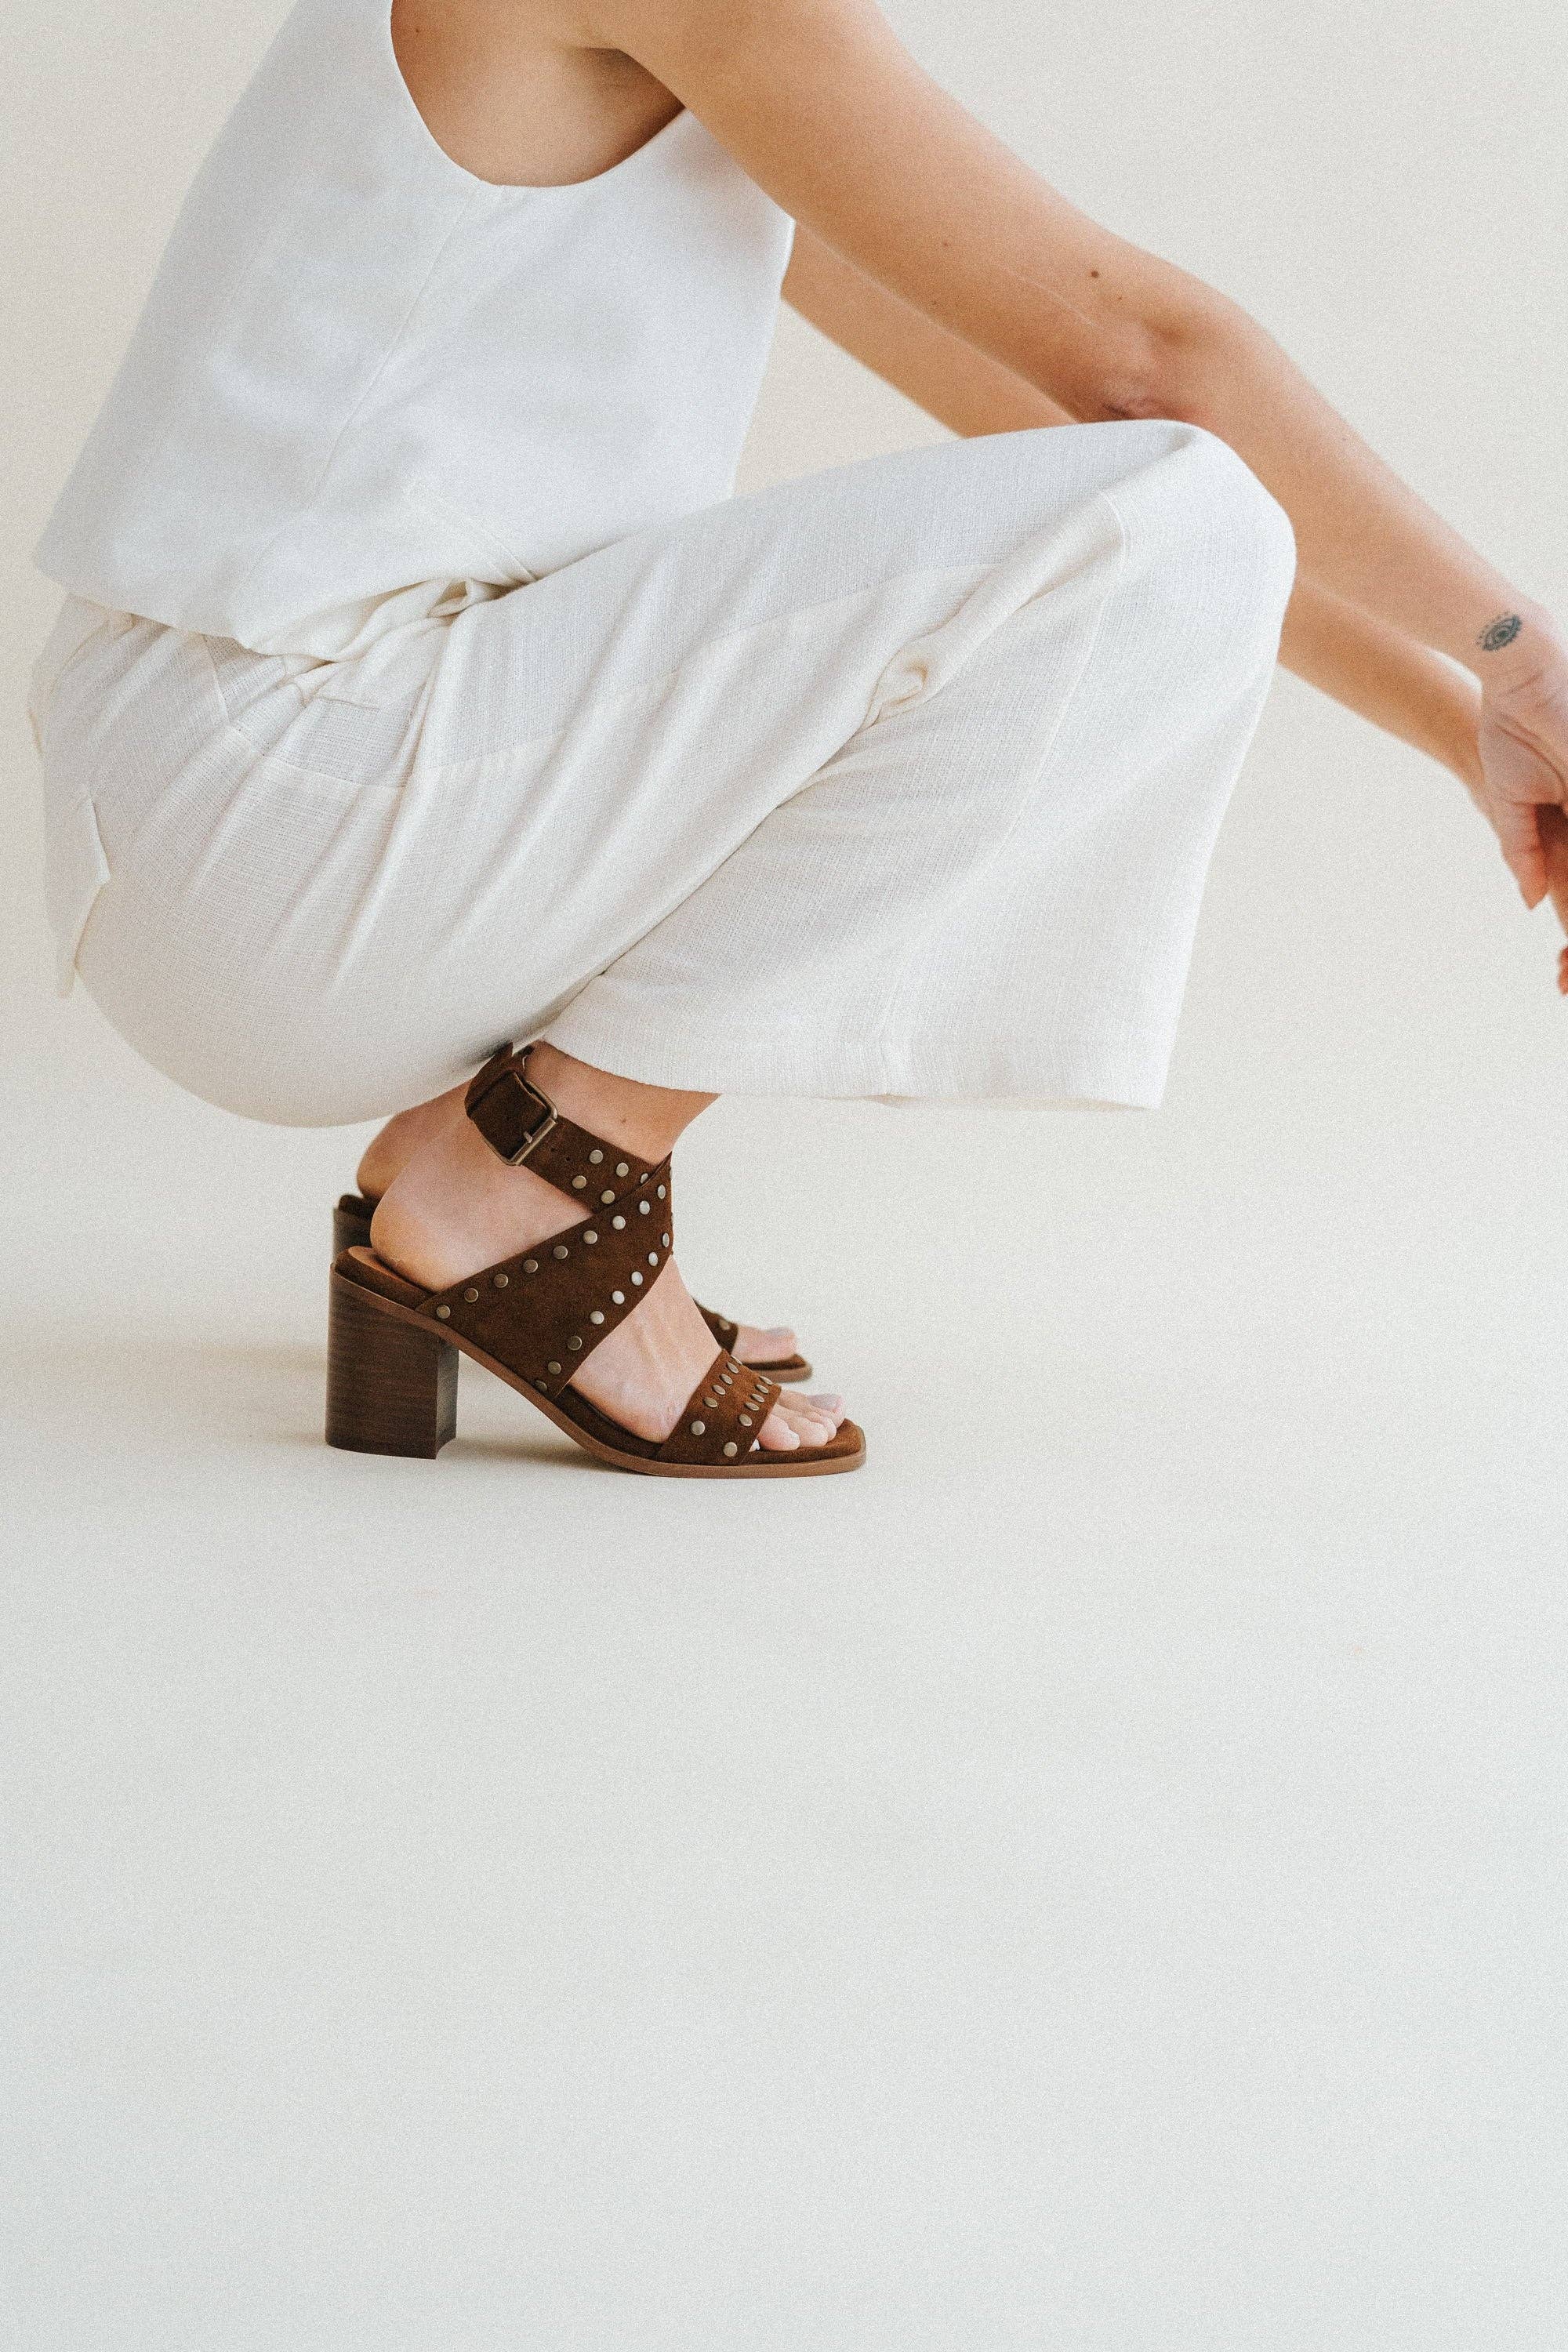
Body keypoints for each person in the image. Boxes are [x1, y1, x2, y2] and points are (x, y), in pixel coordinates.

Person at [27, 0, 1568, 1479]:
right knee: (1179, 512)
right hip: (287, 800)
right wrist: (1524, 661)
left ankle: (489, 1170)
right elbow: (1153, 370)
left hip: (243, 785)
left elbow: (1075, 433)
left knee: (1162, 516)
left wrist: (1463, 730)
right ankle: (534, 1180)